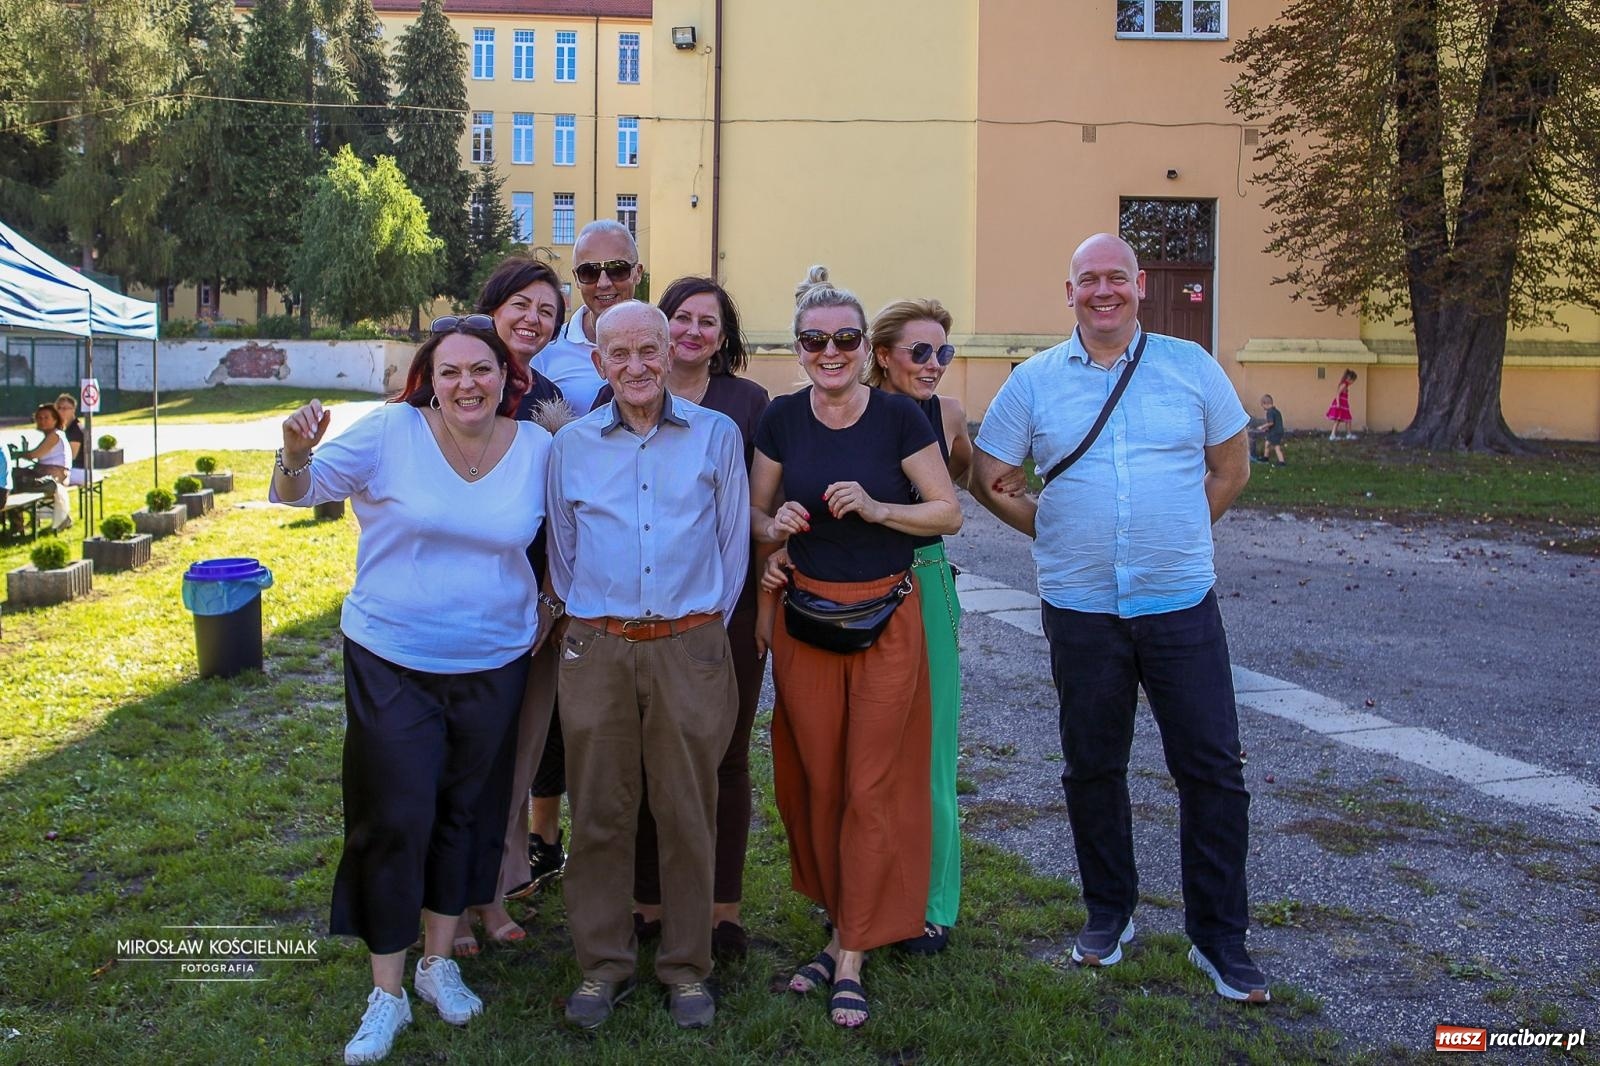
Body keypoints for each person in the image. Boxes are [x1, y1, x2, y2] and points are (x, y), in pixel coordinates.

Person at [969, 232, 1267, 1003]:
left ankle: (1219, 938)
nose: (1103, 291)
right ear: (1068, 293)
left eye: (1116, 278)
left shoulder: (1190, 366)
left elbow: (1231, 467)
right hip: (1082, 609)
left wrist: (1182, 531)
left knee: (1212, 769)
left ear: (1139, 286)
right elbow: (989, 475)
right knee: (1093, 767)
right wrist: (1052, 528)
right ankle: (1110, 914)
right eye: (1087, 280)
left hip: (1180, 605)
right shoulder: (1034, 381)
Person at [272, 317, 555, 1064]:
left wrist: (552, 603)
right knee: (394, 817)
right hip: (393, 657)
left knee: (468, 813)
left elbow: (570, 532)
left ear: (507, 376)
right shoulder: (391, 432)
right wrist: (295, 453)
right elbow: (300, 492)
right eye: (450, 371)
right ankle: (387, 991)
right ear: (430, 379)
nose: (467, 384)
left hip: (495, 660)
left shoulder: (537, 448)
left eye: (482, 369)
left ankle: (438, 962)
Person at [751, 266, 962, 1028]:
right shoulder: (781, 419)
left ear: (864, 346)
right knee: (818, 781)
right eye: (816, 341)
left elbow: (947, 512)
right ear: (798, 348)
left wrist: (876, 508)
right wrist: (775, 531)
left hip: (886, 621)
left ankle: (850, 955)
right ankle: (843, 922)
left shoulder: (899, 419)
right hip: (808, 621)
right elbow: (754, 515)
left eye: (845, 338)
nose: (831, 352)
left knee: (872, 785)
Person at [546, 300, 749, 1031]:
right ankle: (603, 964)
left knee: (687, 810)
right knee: (600, 808)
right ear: (599, 363)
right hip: (598, 646)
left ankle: (687, 968)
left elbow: (732, 550)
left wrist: (694, 633)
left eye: (648, 350)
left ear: (670, 353)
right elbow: (564, 554)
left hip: (689, 645)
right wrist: (600, 625)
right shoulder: (570, 446)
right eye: (619, 354)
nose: (635, 366)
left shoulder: (717, 435)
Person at [609, 278, 770, 963]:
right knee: (647, 755)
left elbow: (754, 510)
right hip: (642, 611)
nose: (694, 331)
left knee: (724, 755)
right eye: (683, 318)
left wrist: (749, 606)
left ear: (722, 336)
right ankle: (647, 900)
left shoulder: (748, 405)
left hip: (728, 606)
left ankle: (721, 907)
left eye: (709, 321)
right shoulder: (624, 391)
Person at [448, 257, 573, 957]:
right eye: (520, 304)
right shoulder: (449, 383)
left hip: (531, 607)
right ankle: (444, 898)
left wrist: (553, 596)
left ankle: (493, 889)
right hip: (454, 605)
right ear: (492, 307)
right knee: (454, 757)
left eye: (546, 311)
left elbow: (562, 512)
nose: (532, 319)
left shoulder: (550, 402)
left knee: (515, 757)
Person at [862, 298, 971, 954]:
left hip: (925, 578)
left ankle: (933, 901)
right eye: (920, 352)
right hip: (858, 583)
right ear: (884, 356)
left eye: (943, 353)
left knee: (931, 745)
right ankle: (865, 891)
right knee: (866, 749)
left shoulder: (947, 414)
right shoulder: (855, 410)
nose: (934, 365)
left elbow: (966, 480)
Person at [534, 219, 643, 415]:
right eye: (589, 272)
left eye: (617, 269)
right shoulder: (547, 349)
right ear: (576, 278)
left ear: (637, 273)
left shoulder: (664, 341)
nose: (603, 283)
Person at [16, 403, 72, 530]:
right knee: (17, 477)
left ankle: (17, 525)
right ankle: (27, 521)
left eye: (46, 418)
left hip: (53, 478)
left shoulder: (55, 435)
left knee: (15, 481)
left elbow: (34, 455)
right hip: (49, 475)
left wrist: (16, 454)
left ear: (55, 420)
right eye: (39, 418)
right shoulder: (54, 434)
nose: (42, 421)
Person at [53, 393, 86, 486]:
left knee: (48, 481)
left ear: (73, 410)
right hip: (70, 470)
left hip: (78, 471)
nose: (61, 411)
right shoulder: (63, 428)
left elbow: (72, 456)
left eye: (64, 408)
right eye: (58, 408)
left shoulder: (75, 429)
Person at [1250, 394, 1286, 467]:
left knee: (1276, 447)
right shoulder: (1276, 411)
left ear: (1265, 404)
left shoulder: (1270, 412)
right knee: (1267, 443)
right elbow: (1275, 423)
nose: (1263, 408)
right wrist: (1267, 429)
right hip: (1277, 431)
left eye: (1262, 405)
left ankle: (1282, 462)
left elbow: (1271, 423)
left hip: (1275, 433)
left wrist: (1262, 427)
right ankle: (1265, 458)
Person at [1325, 369, 1356, 440]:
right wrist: (1338, 404)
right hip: (1340, 405)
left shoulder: (1346, 385)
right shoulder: (1344, 385)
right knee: (1346, 419)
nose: (1353, 382)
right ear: (1349, 379)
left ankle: (1334, 435)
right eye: (1353, 380)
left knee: (1343, 419)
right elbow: (1338, 394)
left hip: (1343, 405)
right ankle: (1346, 435)